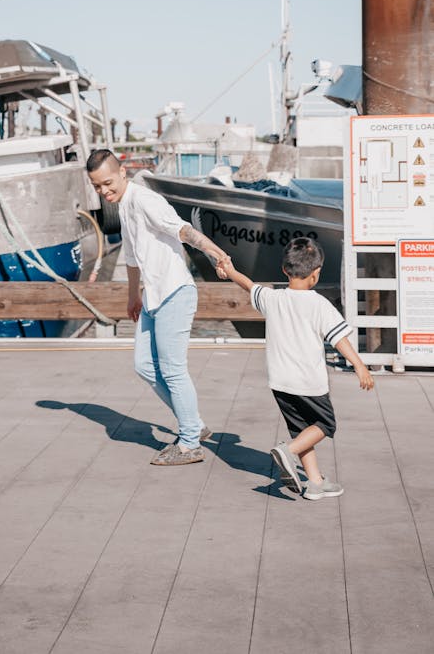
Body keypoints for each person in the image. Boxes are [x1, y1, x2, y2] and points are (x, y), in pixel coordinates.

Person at [86, 149, 230, 466]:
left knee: (173, 369)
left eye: (107, 183)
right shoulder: (123, 206)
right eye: (97, 187)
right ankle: (193, 422)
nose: (103, 192)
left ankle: (191, 442)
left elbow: (182, 230)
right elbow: (133, 258)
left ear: (122, 172)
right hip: (153, 296)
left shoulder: (145, 200)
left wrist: (216, 253)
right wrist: (132, 297)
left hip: (174, 292)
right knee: (144, 366)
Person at [219, 236, 374, 500]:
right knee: (324, 425)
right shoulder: (319, 304)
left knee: (303, 430)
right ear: (316, 274)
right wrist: (360, 365)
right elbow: (339, 339)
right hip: (309, 382)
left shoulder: (272, 298)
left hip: (280, 381)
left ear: (284, 270)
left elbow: (249, 285)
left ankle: (314, 482)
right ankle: (288, 452)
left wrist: (229, 270)